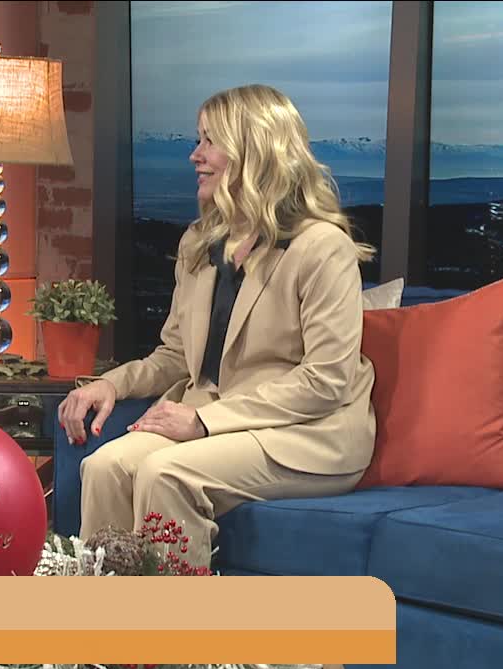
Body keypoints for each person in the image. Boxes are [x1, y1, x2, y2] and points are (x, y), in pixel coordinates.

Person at [59, 84, 377, 566]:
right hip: (218, 420)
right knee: (104, 466)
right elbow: (175, 355)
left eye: (210, 141)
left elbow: (326, 380)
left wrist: (205, 421)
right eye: (198, 139)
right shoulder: (200, 243)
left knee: (166, 474)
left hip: (307, 433)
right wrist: (111, 384)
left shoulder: (321, 247)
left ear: (254, 150)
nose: (195, 155)